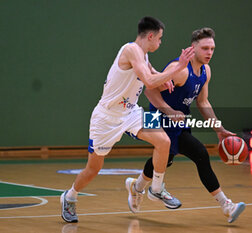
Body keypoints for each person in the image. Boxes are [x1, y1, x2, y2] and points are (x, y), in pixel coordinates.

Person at [60, 16, 194, 223]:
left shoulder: (144, 56)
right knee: (93, 169)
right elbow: (149, 81)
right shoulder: (131, 50)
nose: (160, 42)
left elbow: (154, 76)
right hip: (106, 117)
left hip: (132, 112)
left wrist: (166, 80)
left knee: (164, 141)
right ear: (150, 36)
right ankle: (70, 196)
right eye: (159, 38)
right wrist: (178, 67)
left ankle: (156, 188)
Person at [126, 27, 246, 223]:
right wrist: (169, 111)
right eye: (205, 48)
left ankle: (137, 186)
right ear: (193, 47)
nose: (209, 53)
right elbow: (149, 90)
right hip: (158, 116)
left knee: (166, 160)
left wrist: (219, 128)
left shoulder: (205, 71)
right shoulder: (180, 70)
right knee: (200, 153)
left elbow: (203, 102)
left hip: (178, 119)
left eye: (212, 49)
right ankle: (226, 205)